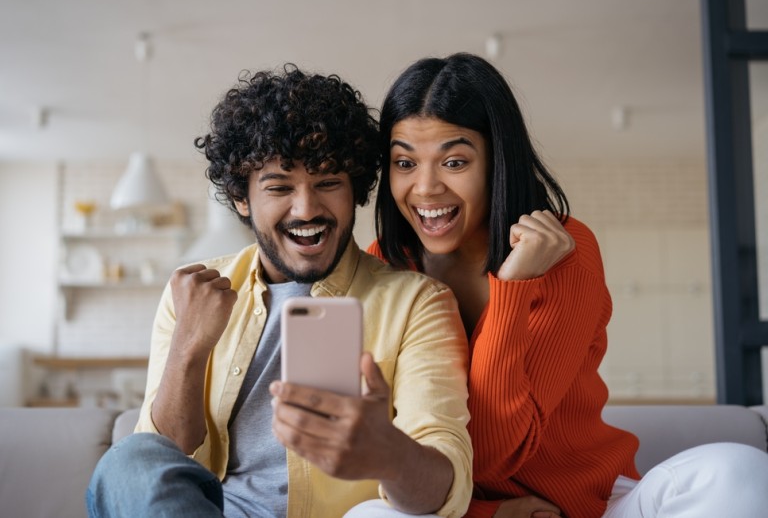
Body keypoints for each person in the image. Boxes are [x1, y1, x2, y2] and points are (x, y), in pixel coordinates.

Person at [368, 52, 768, 518]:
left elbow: (498, 450)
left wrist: (513, 285)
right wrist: (492, 514)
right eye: (404, 163)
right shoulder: (386, 267)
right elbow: (406, 452)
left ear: (498, 161)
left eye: (454, 161)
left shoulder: (563, 249)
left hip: (595, 508)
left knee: (738, 472)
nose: (425, 188)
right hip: (457, 513)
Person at [86, 64, 473, 518]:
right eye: (280, 187)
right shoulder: (191, 293)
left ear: (357, 191)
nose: (307, 208)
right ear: (242, 199)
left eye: (328, 183)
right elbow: (161, 465)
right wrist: (189, 349)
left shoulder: (416, 303)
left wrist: (388, 452)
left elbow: (446, 488)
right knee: (129, 461)